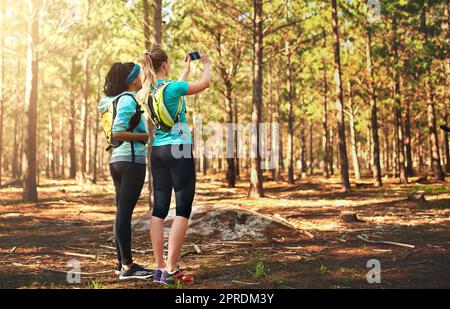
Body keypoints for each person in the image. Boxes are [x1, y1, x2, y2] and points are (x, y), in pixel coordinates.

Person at [141, 47, 211, 285]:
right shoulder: (172, 88)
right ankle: (172, 268)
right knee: (182, 209)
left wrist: (184, 70)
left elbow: (171, 94)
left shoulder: (148, 92)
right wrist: (206, 64)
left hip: (158, 151)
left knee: (159, 210)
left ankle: (160, 268)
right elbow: (205, 83)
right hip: (179, 149)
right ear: (164, 65)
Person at [98, 62, 154, 280]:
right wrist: (144, 136)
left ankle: (120, 263)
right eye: (139, 76)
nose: (141, 79)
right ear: (132, 81)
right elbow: (118, 131)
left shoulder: (113, 100)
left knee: (121, 212)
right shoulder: (128, 99)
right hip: (131, 161)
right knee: (124, 213)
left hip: (117, 160)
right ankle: (129, 267)